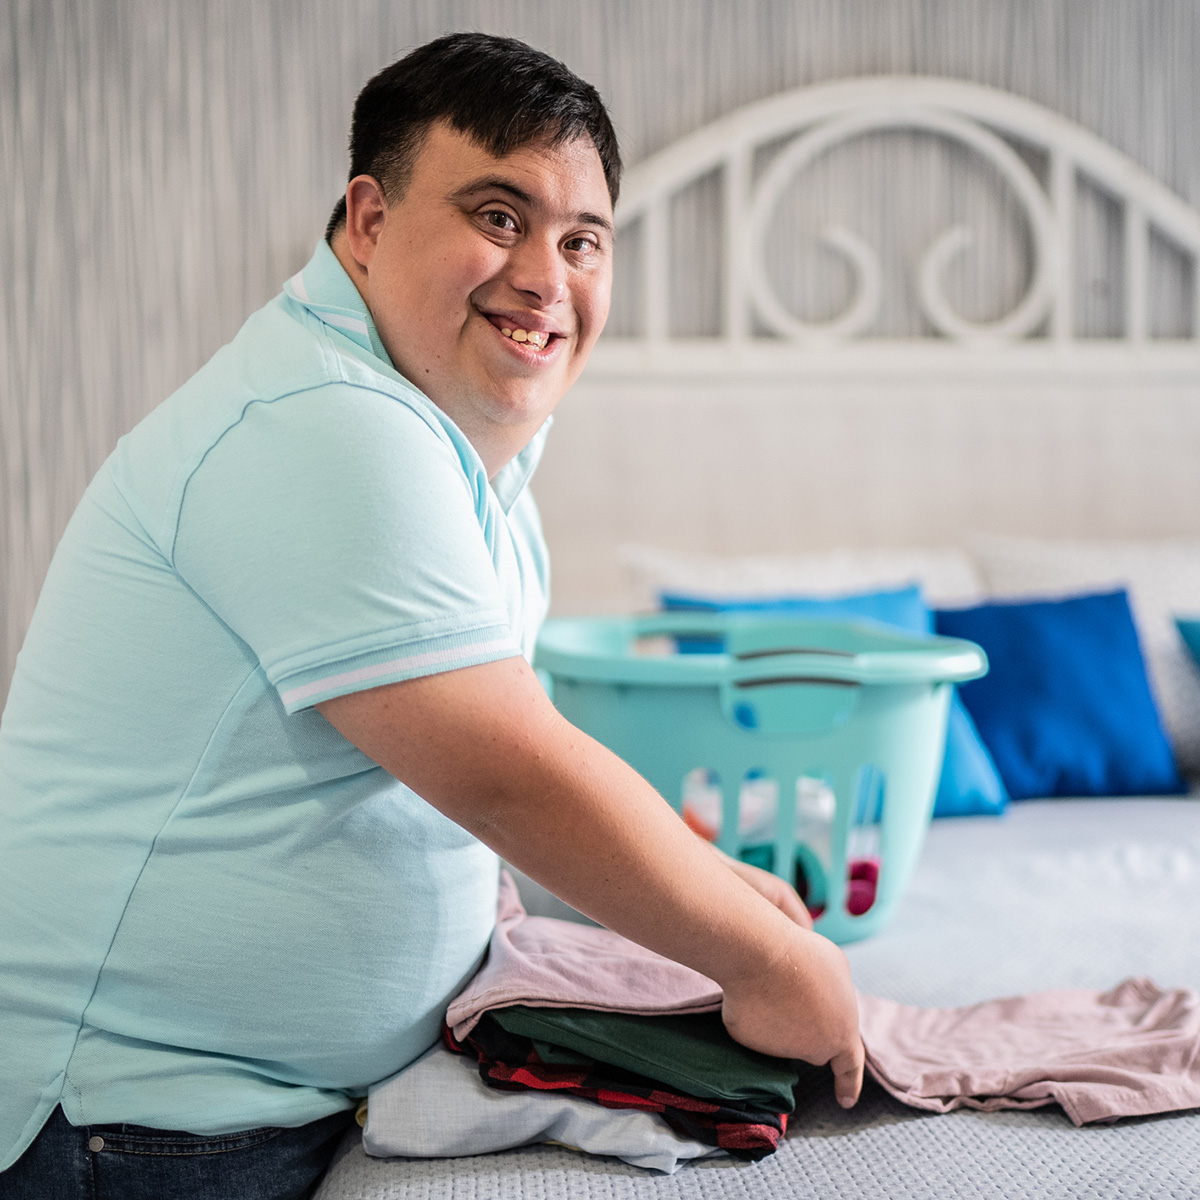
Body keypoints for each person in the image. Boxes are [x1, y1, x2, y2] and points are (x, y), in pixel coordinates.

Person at [0, 33, 863, 1200]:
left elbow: (506, 753)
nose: (546, 277)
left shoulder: (459, 453)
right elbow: (510, 775)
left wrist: (704, 880)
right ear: (366, 220)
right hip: (124, 1126)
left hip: (244, 1109)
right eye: (498, 217)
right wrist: (764, 961)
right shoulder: (323, 422)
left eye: (582, 240)